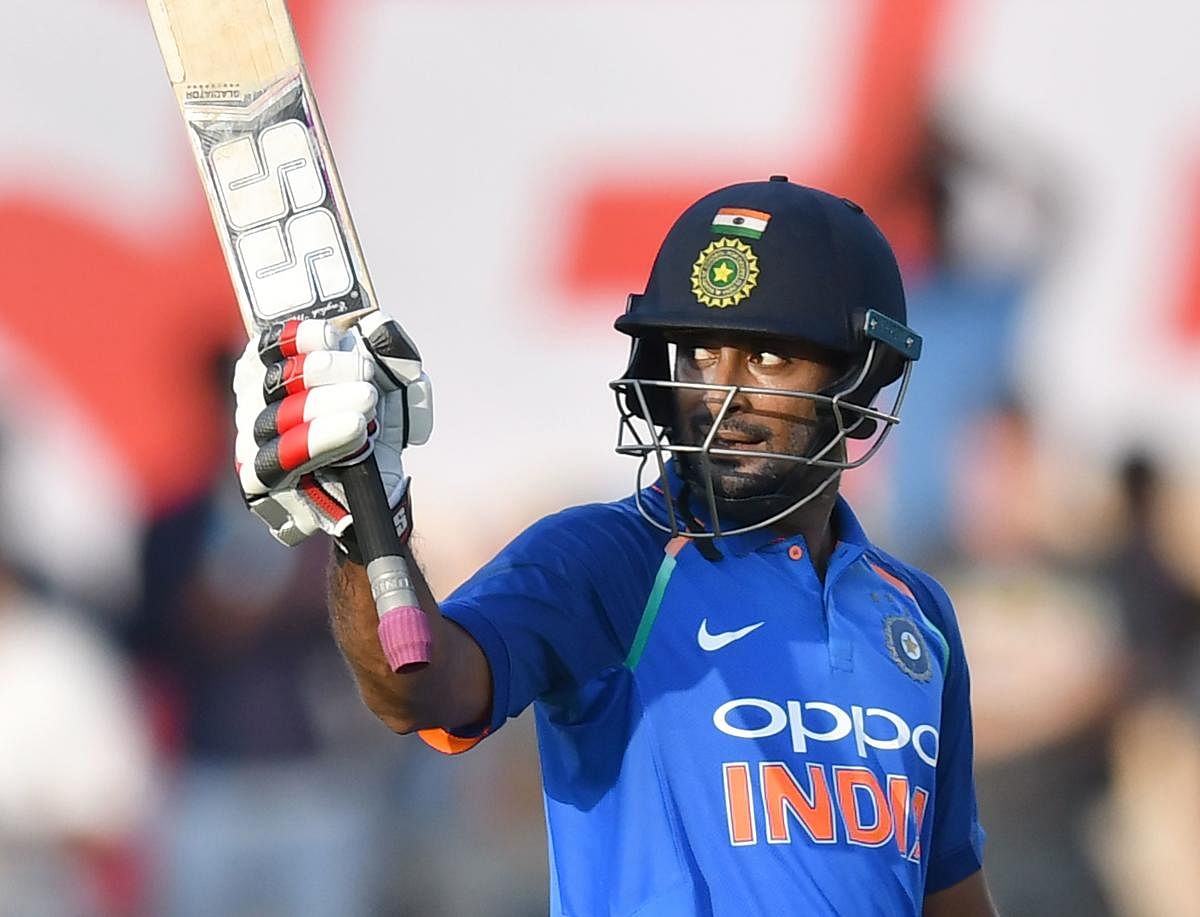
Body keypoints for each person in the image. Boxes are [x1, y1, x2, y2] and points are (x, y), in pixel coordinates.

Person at [232, 177, 997, 916]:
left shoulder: (915, 613)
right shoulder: (611, 558)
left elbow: (950, 893)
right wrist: (367, 534)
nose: (719, 394)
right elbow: (415, 687)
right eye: (697, 353)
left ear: (862, 379)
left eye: (767, 357)